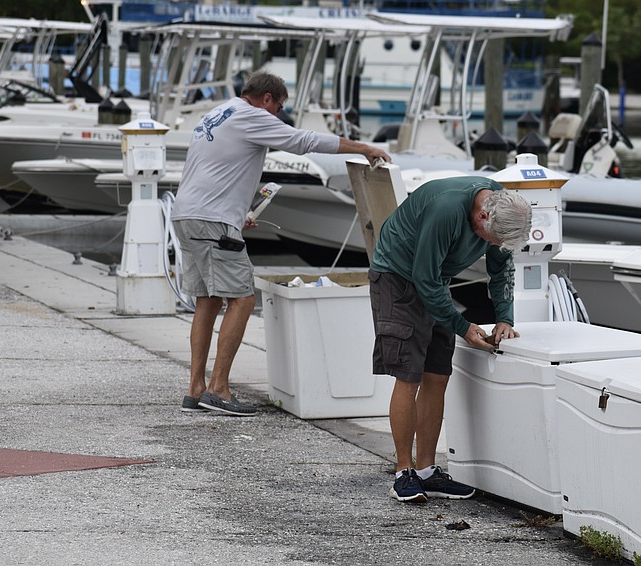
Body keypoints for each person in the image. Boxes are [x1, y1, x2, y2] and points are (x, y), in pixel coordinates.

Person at [173, 71, 391, 416]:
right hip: (211, 220)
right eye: (279, 108)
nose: (276, 116)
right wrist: (362, 147)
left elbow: (213, 170)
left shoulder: (217, 113)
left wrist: (238, 211)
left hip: (188, 215)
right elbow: (303, 141)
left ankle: (195, 387)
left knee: (208, 300)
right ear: (267, 99)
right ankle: (218, 388)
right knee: (242, 299)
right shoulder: (253, 115)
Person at [368, 175, 532, 502]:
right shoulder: (447, 209)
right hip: (398, 276)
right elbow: (423, 277)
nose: (492, 245)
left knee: (438, 373)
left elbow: (501, 271)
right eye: (492, 239)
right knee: (408, 374)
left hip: (435, 279)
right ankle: (404, 473)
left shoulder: (500, 216)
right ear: (482, 216)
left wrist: (504, 318)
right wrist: (464, 326)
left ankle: (427, 471)